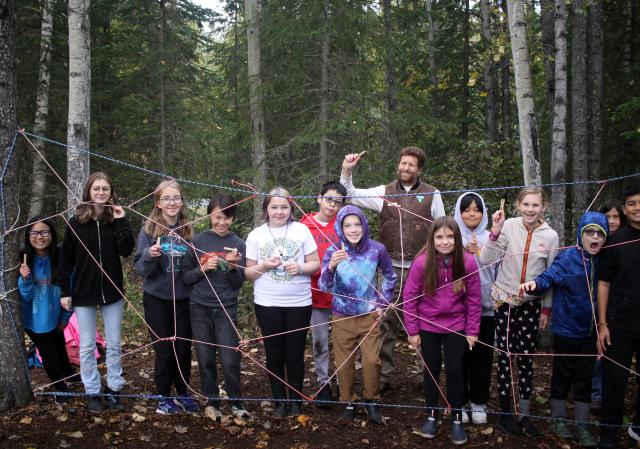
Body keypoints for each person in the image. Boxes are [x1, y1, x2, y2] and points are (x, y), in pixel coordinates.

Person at [340, 147, 445, 392]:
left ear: (419, 169)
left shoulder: (432, 194)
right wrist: (347, 169)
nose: (405, 168)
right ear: (398, 165)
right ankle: (385, 376)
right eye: (403, 163)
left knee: (424, 320)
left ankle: (425, 375)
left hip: (422, 269)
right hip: (389, 271)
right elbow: (351, 195)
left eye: (411, 165)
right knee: (385, 322)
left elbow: (442, 230)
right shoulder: (384, 192)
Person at [521, 211, 608, 448]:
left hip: (590, 332)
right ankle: (557, 418)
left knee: (585, 377)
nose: (595, 238)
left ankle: (582, 424)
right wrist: (535, 284)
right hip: (566, 329)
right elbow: (550, 276)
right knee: (563, 374)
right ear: (581, 234)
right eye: (589, 232)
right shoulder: (568, 257)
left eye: (600, 234)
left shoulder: (605, 259)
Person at [479, 187, 559, 436]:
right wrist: (494, 231)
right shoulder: (510, 225)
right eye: (526, 204)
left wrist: (546, 309)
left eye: (535, 205)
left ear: (543, 207)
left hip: (530, 306)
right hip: (504, 302)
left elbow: (550, 276)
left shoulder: (551, 236)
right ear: (518, 205)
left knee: (525, 359)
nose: (530, 210)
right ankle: (505, 413)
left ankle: (523, 413)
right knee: (504, 358)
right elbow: (485, 259)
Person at [58, 172, 134, 412]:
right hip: (83, 292)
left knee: (113, 343)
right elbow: (65, 261)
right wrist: (65, 291)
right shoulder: (76, 223)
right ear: (89, 192)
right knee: (88, 345)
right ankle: (92, 391)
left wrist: (122, 221)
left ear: (111, 192)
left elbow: (126, 250)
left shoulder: (116, 220)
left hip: (112, 291)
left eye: (105, 189)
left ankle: (114, 389)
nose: (101, 193)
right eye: (96, 189)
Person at [403, 216, 481, 445]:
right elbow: (409, 298)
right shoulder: (421, 263)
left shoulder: (467, 262)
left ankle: (457, 418)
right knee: (432, 370)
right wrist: (413, 330)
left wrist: (472, 330)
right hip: (428, 325)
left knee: (456, 370)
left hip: (457, 325)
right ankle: (432, 415)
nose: (445, 242)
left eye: (450, 236)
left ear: (457, 238)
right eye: (439, 237)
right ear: (432, 238)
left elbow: (474, 299)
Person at [244, 187, 320, 417]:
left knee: (295, 353)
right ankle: (279, 401)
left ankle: (295, 400)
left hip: (299, 302)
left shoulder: (302, 230)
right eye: (274, 207)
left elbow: (315, 264)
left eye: (284, 207)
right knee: (274, 353)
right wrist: (265, 265)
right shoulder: (256, 235)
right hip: (267, 303)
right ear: (266, 208)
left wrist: (299, 268)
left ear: (291, 208)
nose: (279, 212)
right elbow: (248, 274)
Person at [319, 205, 396, 423]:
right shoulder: (333, 250)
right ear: (340, 228)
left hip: (369, 316)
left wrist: (382, 303)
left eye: (357, 224)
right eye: (347, 225)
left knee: (372, 361)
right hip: (342, 316)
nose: (353, 229)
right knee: (344, 364)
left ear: (364, 225)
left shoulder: (376, 249)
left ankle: (371, 400)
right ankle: (348, 402)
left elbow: (390, 277)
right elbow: (324, 286)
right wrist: (332, 266)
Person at [182, 193, 249, 420]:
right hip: (200, 308)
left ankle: (236, 402)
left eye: (227, 218)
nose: (222, 222)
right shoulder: (198, 241)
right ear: (210, 215)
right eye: (218, 217)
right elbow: (186, 277)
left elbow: (238, 283)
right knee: (205, 357)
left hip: (226, 309)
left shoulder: (239, 243)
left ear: (233, 218)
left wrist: (231, 267)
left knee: (230, 358)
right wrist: (203, 268)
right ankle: (212, 401)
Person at [134, 180, 197, 414]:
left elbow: (192, 267)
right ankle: (163, 397)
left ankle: (183, 393)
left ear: (182, 201)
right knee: (164, 350)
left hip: (183, 299)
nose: (172, 202)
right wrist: (149, 255)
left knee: (183, 348)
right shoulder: (149, 230)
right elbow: (140, 269)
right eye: (167, 198)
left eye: (176, 198)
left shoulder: (188, 228)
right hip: (157, 299)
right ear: (158, 203)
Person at [597, 185, 640, 449]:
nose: (638, 208)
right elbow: (604, 282)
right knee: (615, 380)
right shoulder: (617, 240)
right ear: (625, 209)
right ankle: (609, 432)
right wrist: (603, 323)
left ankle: (637, 426)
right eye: (632, 203)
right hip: (619, 322)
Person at [18, 216, 76, 402]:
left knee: (59, 344)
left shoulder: (60, 256)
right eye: (34, 232)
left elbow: (70, 286)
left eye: (44, 232)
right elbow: (26, 297)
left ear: (51, 234)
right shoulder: (23, 259)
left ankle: (68, 373)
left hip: (56, 313)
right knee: (48, 352)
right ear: (28, 236)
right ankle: (60, 388)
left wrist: (66, 316)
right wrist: (25, 279)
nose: (39, 237)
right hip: (34, 318)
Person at [299, 181, 347, 406]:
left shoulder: (345, 225)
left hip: (342, 295)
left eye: (338, 201)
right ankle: (323, 382)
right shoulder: (305, 224)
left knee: (343, 340)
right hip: (315, 293)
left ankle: (344, 380)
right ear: (319, 198)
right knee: (320, 341)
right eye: (329, 198)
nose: (332, 204)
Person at [453, 192, 497, 425]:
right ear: (459, 213)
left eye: (477, 210)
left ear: (483, 213)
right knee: (458, 358)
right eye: (467, 209)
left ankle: (478, 401)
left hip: (486, 309)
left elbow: (497, 269)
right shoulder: (450, 237)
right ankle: (459, 402)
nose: (472, 214)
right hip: (457, 310)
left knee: (482, 357)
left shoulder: (492, 237)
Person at [591, 198, 625, 412]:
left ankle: (608, 395)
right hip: (594, 300)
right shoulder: (596, 240)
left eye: (615, 217)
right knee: (596, 348)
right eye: (607, 217)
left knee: (610, 348)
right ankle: (595, 393)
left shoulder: (625, 241)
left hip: (619, 304)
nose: (612, 222)